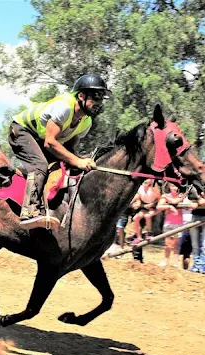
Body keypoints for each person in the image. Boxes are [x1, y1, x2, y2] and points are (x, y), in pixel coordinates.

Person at [8, 74, 112, 229]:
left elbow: (69, 148)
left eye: (101, 98)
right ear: (81, 96)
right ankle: (29, 211)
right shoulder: (64, 108)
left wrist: (79, 160)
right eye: (95, 97)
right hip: (21, 130)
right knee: (39, 165)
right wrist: (77, 161)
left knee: (67, 165)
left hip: (40, 139)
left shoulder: (86, 122)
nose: (98, 103)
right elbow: (50, 143)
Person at [156, 182, 185, 267]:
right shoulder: (166, 196)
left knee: (176, 244)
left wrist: (168, 200)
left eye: (176, 186)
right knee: (167, 244)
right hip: (168, 222)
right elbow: (159, 206)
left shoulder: (181, 195)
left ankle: (176, 263)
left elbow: (176, 201)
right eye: (172, 186)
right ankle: (165, 260)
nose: (174, 188)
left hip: (178, 223)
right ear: (169, 186)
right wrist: (169, 207)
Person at [130, 179, 160, 244]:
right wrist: (138, 203)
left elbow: (159, 198)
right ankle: (138, 237)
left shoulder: (154, 188)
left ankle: (149, 233)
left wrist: (152, 204)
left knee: (147, 216)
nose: (146, 185)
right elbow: (138, 197)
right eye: (145, 182)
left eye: (148, 183)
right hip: (145, 206)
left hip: (154, 206)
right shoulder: (140, 188)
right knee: (136, 218)